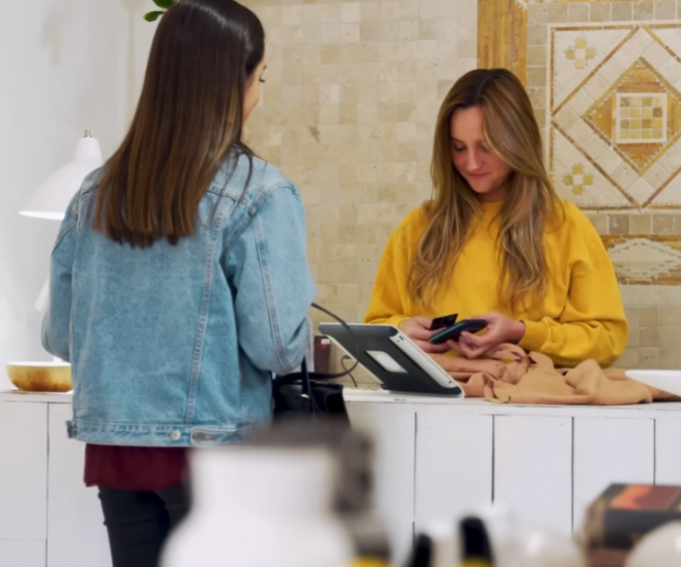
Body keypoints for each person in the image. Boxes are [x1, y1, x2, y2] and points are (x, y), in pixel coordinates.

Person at [41, 1, 316, 566]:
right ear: (235, 79)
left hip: (115, 448)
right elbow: (276, 346)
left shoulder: (93, 193)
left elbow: (61, 338)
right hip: (217, 454)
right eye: (259, 78)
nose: (259, 95)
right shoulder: (258, 192)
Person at [364, 68, 628, 368]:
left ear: (519, 141)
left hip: (529, 409)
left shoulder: (565, 226)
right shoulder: (417, 229)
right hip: (434, 406)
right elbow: (375, 327)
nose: (472, 163)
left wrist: (522, 333)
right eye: (459, 147)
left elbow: (607, 340)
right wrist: (399, 330)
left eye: (487, 146)